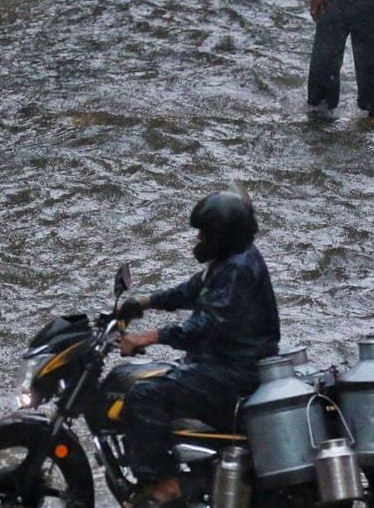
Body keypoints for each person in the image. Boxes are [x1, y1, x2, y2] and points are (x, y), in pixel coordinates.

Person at [115, 188, 280, 507]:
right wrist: (144, 303)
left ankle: (166, 485)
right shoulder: (231, 260)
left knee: (144, 395)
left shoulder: (237, 269)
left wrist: (145, 337)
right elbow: (193, 290)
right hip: (226, 365)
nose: (200, 237)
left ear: (224, 234)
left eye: (206, 231)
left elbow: (202, 328)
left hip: (234, 373)